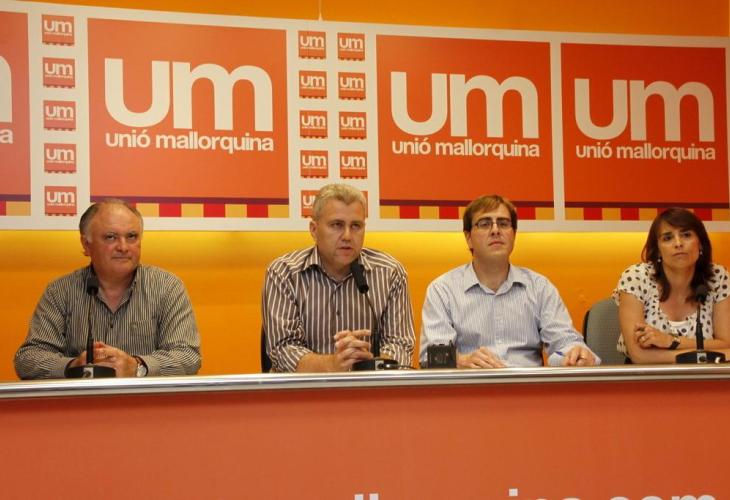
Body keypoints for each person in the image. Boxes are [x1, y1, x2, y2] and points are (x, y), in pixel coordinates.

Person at [14, 199, 201, 379]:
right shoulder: (61, 291)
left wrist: (137, 367)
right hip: (81, 399)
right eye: (111, 237)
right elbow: (28, 359)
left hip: (145, 400)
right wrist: (73, 366)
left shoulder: (167, 287)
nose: (123, 247)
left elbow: (188, 357)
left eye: (132, 236)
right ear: (86, 245)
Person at [420, 194, 598, 368]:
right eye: (485, 224)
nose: (495, 230)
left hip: (528, 385)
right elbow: (430, 357)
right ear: (468, 238)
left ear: (514, 235)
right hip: (471, 384)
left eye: (503, 223)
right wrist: (462, 361)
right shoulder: (443, 290)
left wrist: (575, 355)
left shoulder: (539, 287)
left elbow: (565, 343)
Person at [262, 184, 415, 372]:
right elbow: (283, 350)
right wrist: (333, 364)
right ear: (314, 229)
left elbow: (400, 345)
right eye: (337, 225)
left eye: (356, 226)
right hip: (304, 388)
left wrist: (369, 365)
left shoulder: (390, 273)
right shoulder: (284, 273)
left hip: (369, 387)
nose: (347, 236)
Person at [614, 207, 730, 363]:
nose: (678, 243)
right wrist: (699, 355)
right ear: (658, 250)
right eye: (667, 238)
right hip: (645, 374)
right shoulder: (636, 277)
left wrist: (671, 341)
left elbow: (726, 344)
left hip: (704, 373)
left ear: (700, 244)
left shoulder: (717, 277)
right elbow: (639, 356)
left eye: (686, 235)